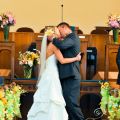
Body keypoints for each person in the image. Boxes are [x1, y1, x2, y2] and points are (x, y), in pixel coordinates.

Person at [27, 27, 82, 120]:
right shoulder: (53, 45)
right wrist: (76, 58)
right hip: (52, 74)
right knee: (52, 98)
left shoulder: (49, 46)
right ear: (53, 35)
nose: (60, 33)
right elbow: (62, 60)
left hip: (48, 73)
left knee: (48, 98)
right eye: (57, 32)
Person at [52, 22, 85, 120]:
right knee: (67, 103)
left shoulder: (73, 37)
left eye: (59, 30)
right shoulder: (68, 38)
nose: (59, 33)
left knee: (72, 103)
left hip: (72, 76)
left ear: (64, 27)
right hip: (67, 76)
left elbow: (62, 45)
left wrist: (53, 38)